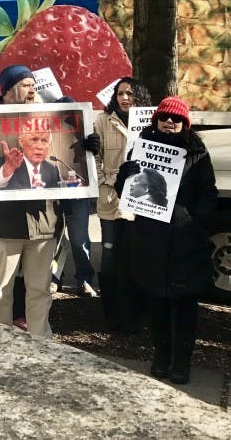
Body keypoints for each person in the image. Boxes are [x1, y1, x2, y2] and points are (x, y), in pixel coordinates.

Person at [118, 97, 217, 384]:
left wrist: (196, 222)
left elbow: (208, 193)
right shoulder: (141, 148)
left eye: (175, 120)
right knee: (157, 304)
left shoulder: (197, 152)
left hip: (186, 241)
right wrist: (125, 177)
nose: (169, 123)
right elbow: (128, 192)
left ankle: (181, 362)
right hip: (151, 238)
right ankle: (161, 356)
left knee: (184, 306)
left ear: (185, 124)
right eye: (164, 118)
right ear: (156, 120)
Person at [0, 64, 59, 338]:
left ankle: (42, 342)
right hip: (2, 223)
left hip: (44, 223)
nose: (32, 90)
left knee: (40, 289)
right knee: (2, 290)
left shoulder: (49, 118)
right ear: (9, 89)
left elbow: (70, 170)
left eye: (33, 85)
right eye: (26, 84)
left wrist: (86, 149)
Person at [94, 77, 151, 332]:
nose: (125, 98)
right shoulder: (102, 121)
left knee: (136, 257)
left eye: (130, 93)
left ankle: (137, 313)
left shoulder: (150, 124)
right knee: (109, 258)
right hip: (110, 202)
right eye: (120, 94)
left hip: (140, 203)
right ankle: (111, 315)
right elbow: (92, 160)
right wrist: (112, 178)